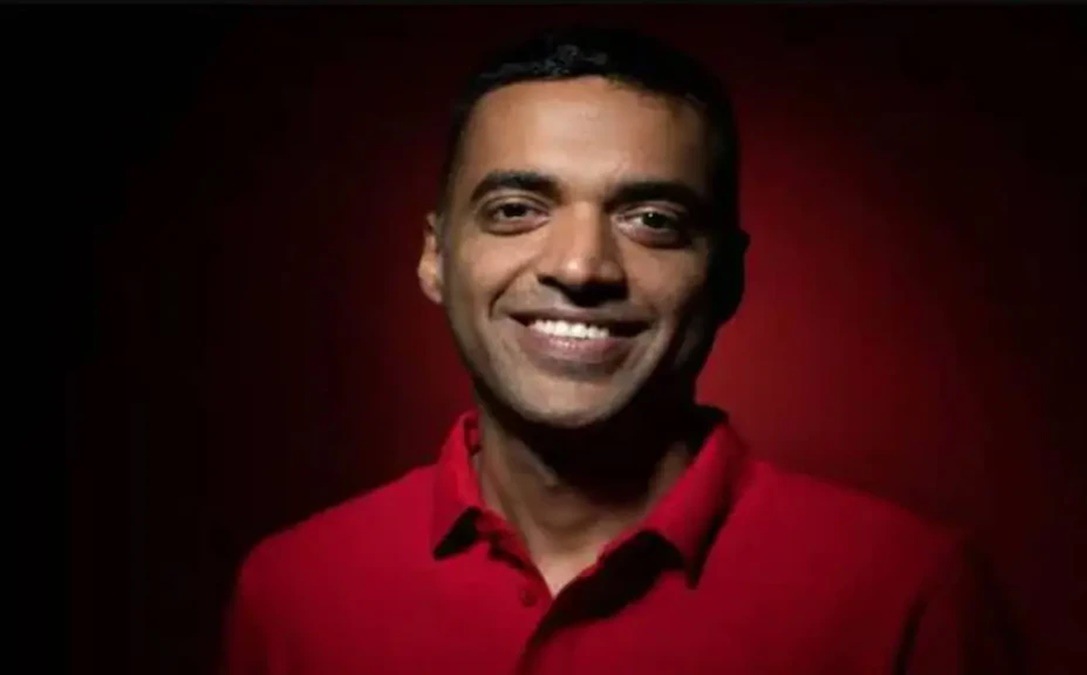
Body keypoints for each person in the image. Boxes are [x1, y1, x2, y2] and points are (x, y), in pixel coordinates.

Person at [221, 26, 1023, 675]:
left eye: (652, 220)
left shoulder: (905, 591)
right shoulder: (293, 592)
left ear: (729, 275)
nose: (581, 268)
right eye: (515, 209)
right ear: (436, 255)